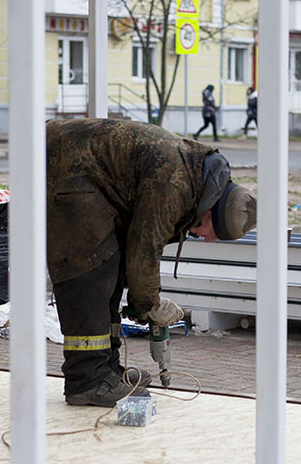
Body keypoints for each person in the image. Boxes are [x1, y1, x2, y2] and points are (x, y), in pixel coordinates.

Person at [47, 118, 257, 407]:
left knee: (111, 269)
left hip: (85, 176)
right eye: (213, 233)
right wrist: (150, 305)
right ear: (210, 212)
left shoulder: (197, 181)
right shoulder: (175, 184)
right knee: (90, 271)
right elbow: (146, 247)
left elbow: (136, 249)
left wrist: (142, 298)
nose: (208, 240)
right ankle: (87, 380)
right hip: (65, 168)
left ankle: (105, 370)